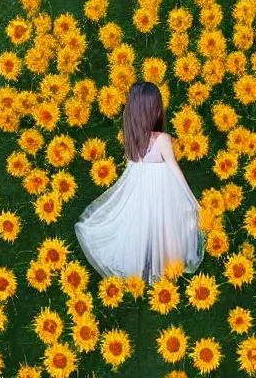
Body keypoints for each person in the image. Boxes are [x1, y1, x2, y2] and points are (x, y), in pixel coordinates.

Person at [74, 82, 205, 283]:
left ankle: (144, 266)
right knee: (166, 227)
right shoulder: (162, 139)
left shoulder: (132, 139)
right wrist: (191, 199)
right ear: (154, 110)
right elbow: (175, 170)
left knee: (141, 228)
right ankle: (167, 268)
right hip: (162, 192)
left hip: (140, 193)